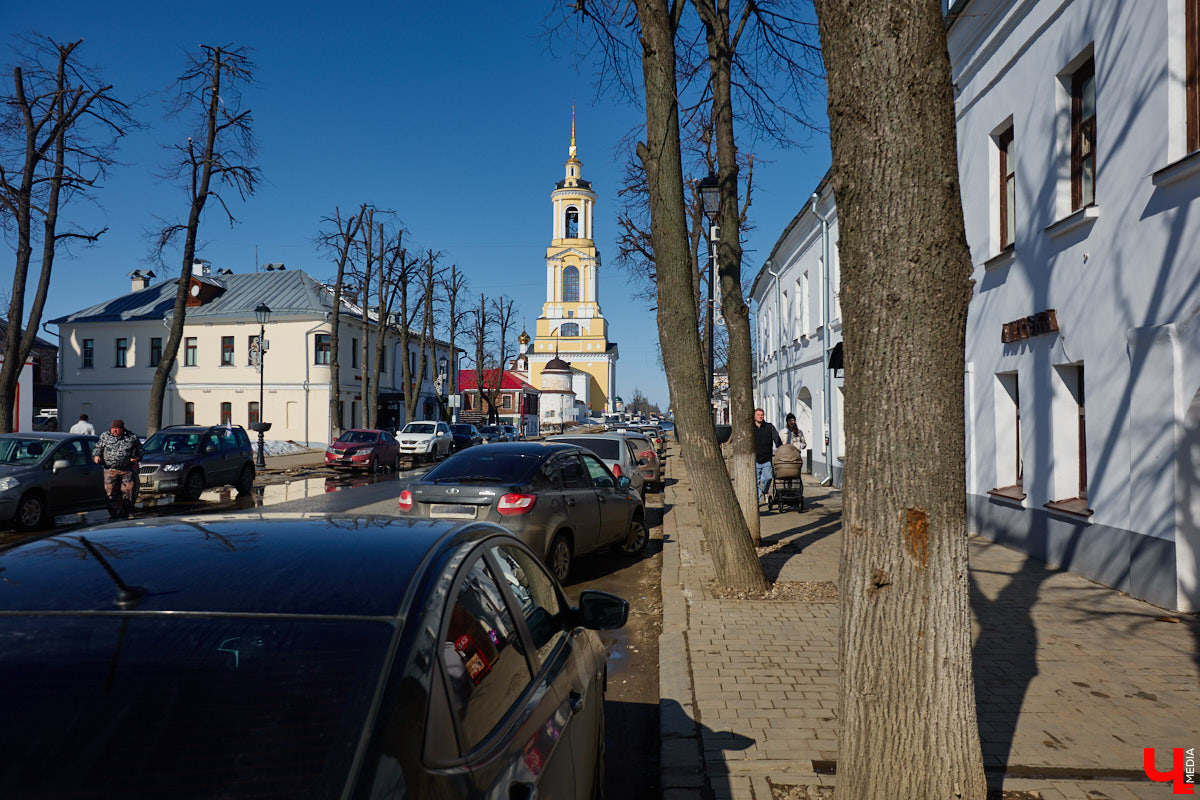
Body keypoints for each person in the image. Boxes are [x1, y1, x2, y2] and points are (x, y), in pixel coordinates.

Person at [93, 418, 143, 519]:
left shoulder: (131, 437)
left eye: (117, 429)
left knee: (128, 491)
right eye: (113, 428)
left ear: (122, 429)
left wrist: (137, 457)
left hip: (126, 470)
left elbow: (140, 450)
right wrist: (96, 456)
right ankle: (114, 513)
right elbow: (97, 448)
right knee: (110, 492)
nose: (114, 431)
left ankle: (128, 512)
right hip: (110, 469)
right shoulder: (105, 436)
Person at [753, 407, 782, 503]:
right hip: (755, 460)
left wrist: (781, 448)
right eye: (758, 415)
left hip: (767, 459)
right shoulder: (751, 428)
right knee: (755, 482)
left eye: (762, 415)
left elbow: (776, 438)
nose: (760, 416)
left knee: (768, 478)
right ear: (754, 416)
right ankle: (758, 501)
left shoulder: (769, 427)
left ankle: (765, 491)